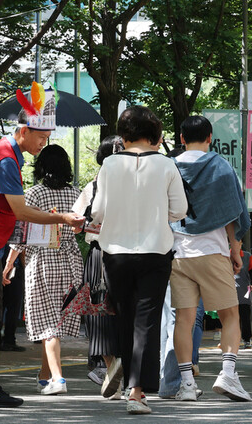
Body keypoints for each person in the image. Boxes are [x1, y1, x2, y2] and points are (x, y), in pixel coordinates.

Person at [0, 85, 84, 408]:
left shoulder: (4, 151)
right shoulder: (6, 159)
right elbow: (21, 211)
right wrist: (64, 219)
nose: (45, 143)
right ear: (24, 130)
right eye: (42, 137)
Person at [91, 105, 188, 415]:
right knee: (146, 321)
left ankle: (122, 371)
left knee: (123, 315)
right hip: (155, 251)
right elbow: (180, 210)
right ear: (156, 135)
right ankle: (137, 391)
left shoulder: (109, 164)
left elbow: (97, 211)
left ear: (124, 135)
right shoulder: (166, 165)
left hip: (115, 254)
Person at [167, 115, 252, 402]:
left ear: (181, 138)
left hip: (179, 254)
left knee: (184, 319)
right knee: (230, 315)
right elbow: (232, 212)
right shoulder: (220, 166)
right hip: (213, 251)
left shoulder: (171, 166)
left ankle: (187, 385)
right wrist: (235, 249)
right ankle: (227, 374)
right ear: (210, 137)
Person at [1, 144, 83, 396]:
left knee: (48, 323)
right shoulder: (77, 194)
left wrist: (9, 262)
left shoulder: (33, 194)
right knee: (56, 321)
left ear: (41, 167)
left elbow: (21, 234)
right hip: (72, 262)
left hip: (44, 261)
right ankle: (45, 374)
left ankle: (58, 379)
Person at [71, 135, 123, 393]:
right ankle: (124, 368)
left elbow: (75, 223)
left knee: (96, 312)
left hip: (99, 255)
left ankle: (110, 365)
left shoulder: (93, 186)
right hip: (131, 254)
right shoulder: (137, 183)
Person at [235, 249, 252, 349]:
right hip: (230, 289)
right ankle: (229, 339)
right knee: (230, 316)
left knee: (245, 315)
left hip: (245, 289)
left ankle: (247, 339)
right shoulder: (226, 254)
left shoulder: (247, 256)